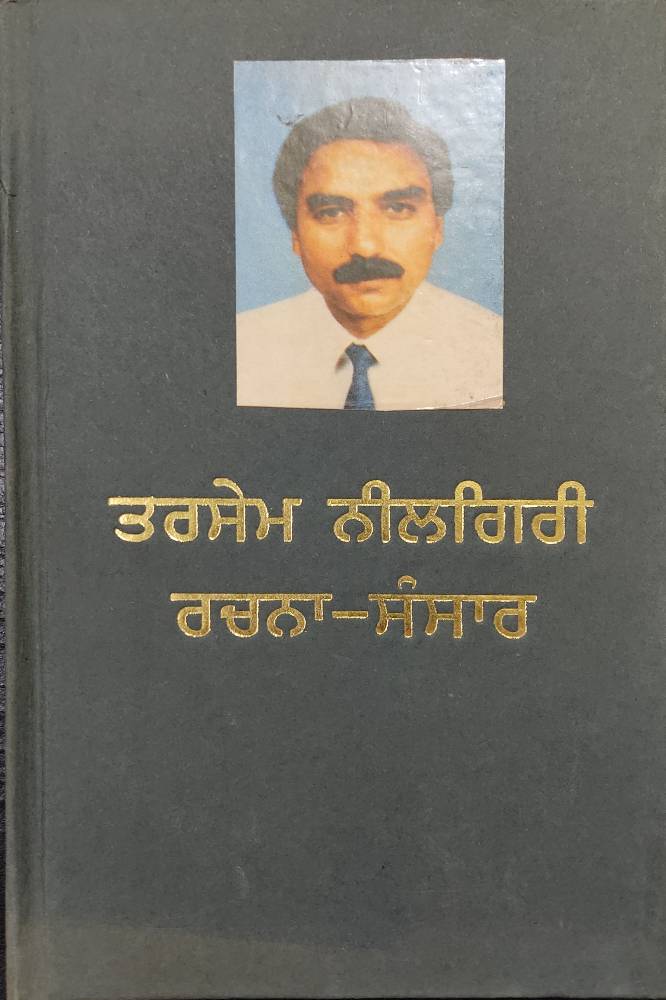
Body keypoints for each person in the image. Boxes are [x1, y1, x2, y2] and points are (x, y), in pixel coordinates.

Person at [237, 96, 502, 410]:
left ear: (437, 227)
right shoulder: (242, 352)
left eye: (398, 208)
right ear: (295, 234)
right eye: (331, 212)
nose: (365, 246)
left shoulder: (497, 354)